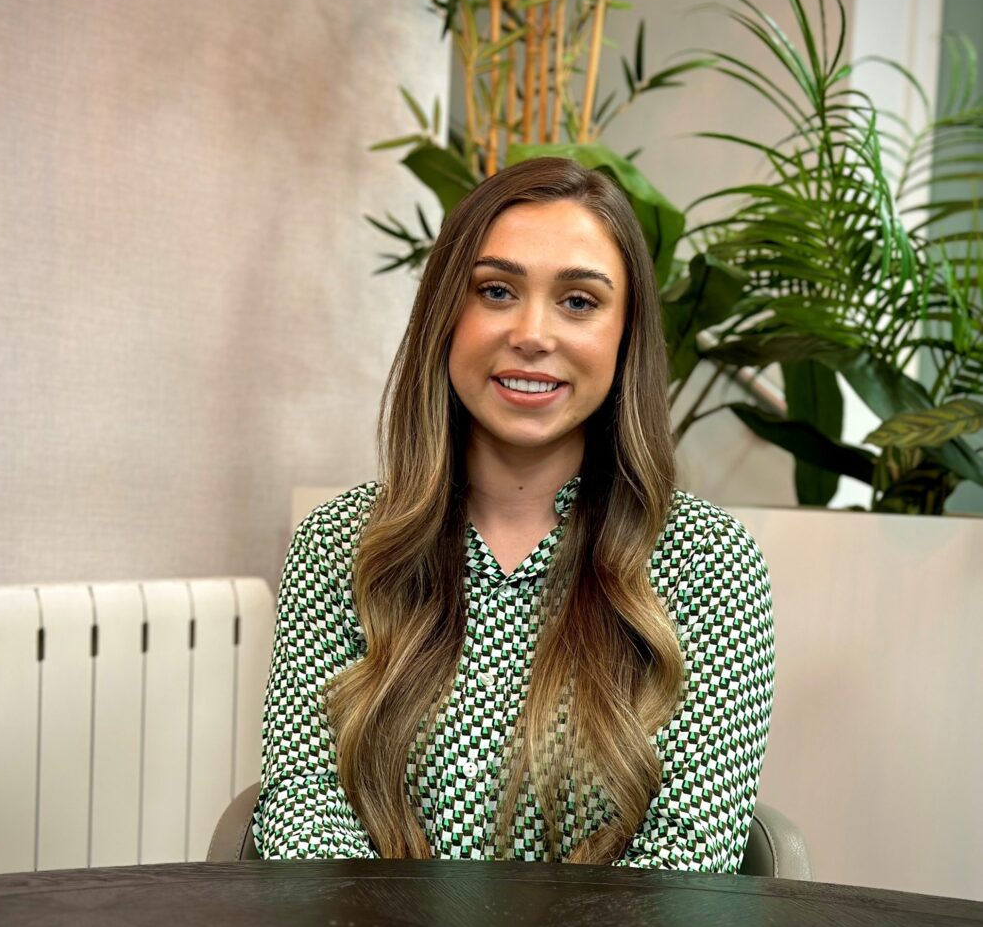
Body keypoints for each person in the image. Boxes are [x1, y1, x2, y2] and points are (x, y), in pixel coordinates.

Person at [252, 156, 775, 869]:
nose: (532, 332)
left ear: (625, 340)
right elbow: (303, 806)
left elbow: (684, 859)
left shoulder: (707, 560)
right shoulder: (342, 544)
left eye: (579, 302)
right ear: (446, 317)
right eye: (496, 291)